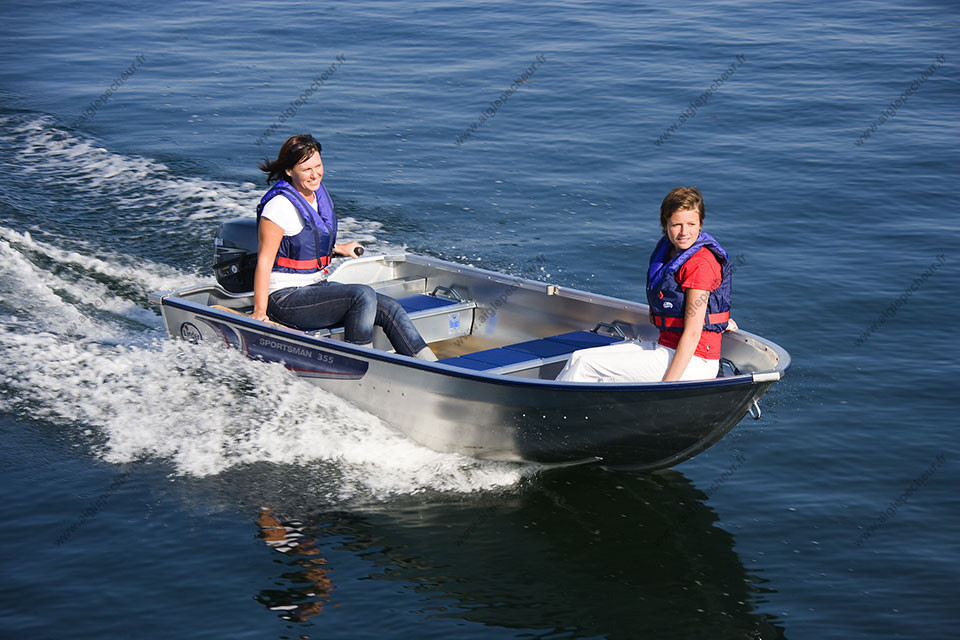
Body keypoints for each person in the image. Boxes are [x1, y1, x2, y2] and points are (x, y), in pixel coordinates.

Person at [251, 134, 436, 360]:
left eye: (318, 166)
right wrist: (260, 311)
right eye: (306, 169)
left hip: (316, 285)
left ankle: (435, 367)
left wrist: (339, 248)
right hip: (284, 299)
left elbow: (306, 243)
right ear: (289, 171)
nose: (315, 174)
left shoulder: (315, 195)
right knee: (362, 294)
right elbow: (265, 261)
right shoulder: (278, 207)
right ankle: (360, 362)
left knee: (389, 307)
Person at [557, 186, 737, 383]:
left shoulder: (700, 264)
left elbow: (694, 333)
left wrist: (669, 385)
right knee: (579, 358)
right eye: (677, 225)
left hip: (694, 361)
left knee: (586, 366)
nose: (684, 232)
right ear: (665, 224)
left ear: (700, 224)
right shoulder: (669, 252)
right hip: (666, 347)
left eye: (692, 224)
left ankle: (551, 410)